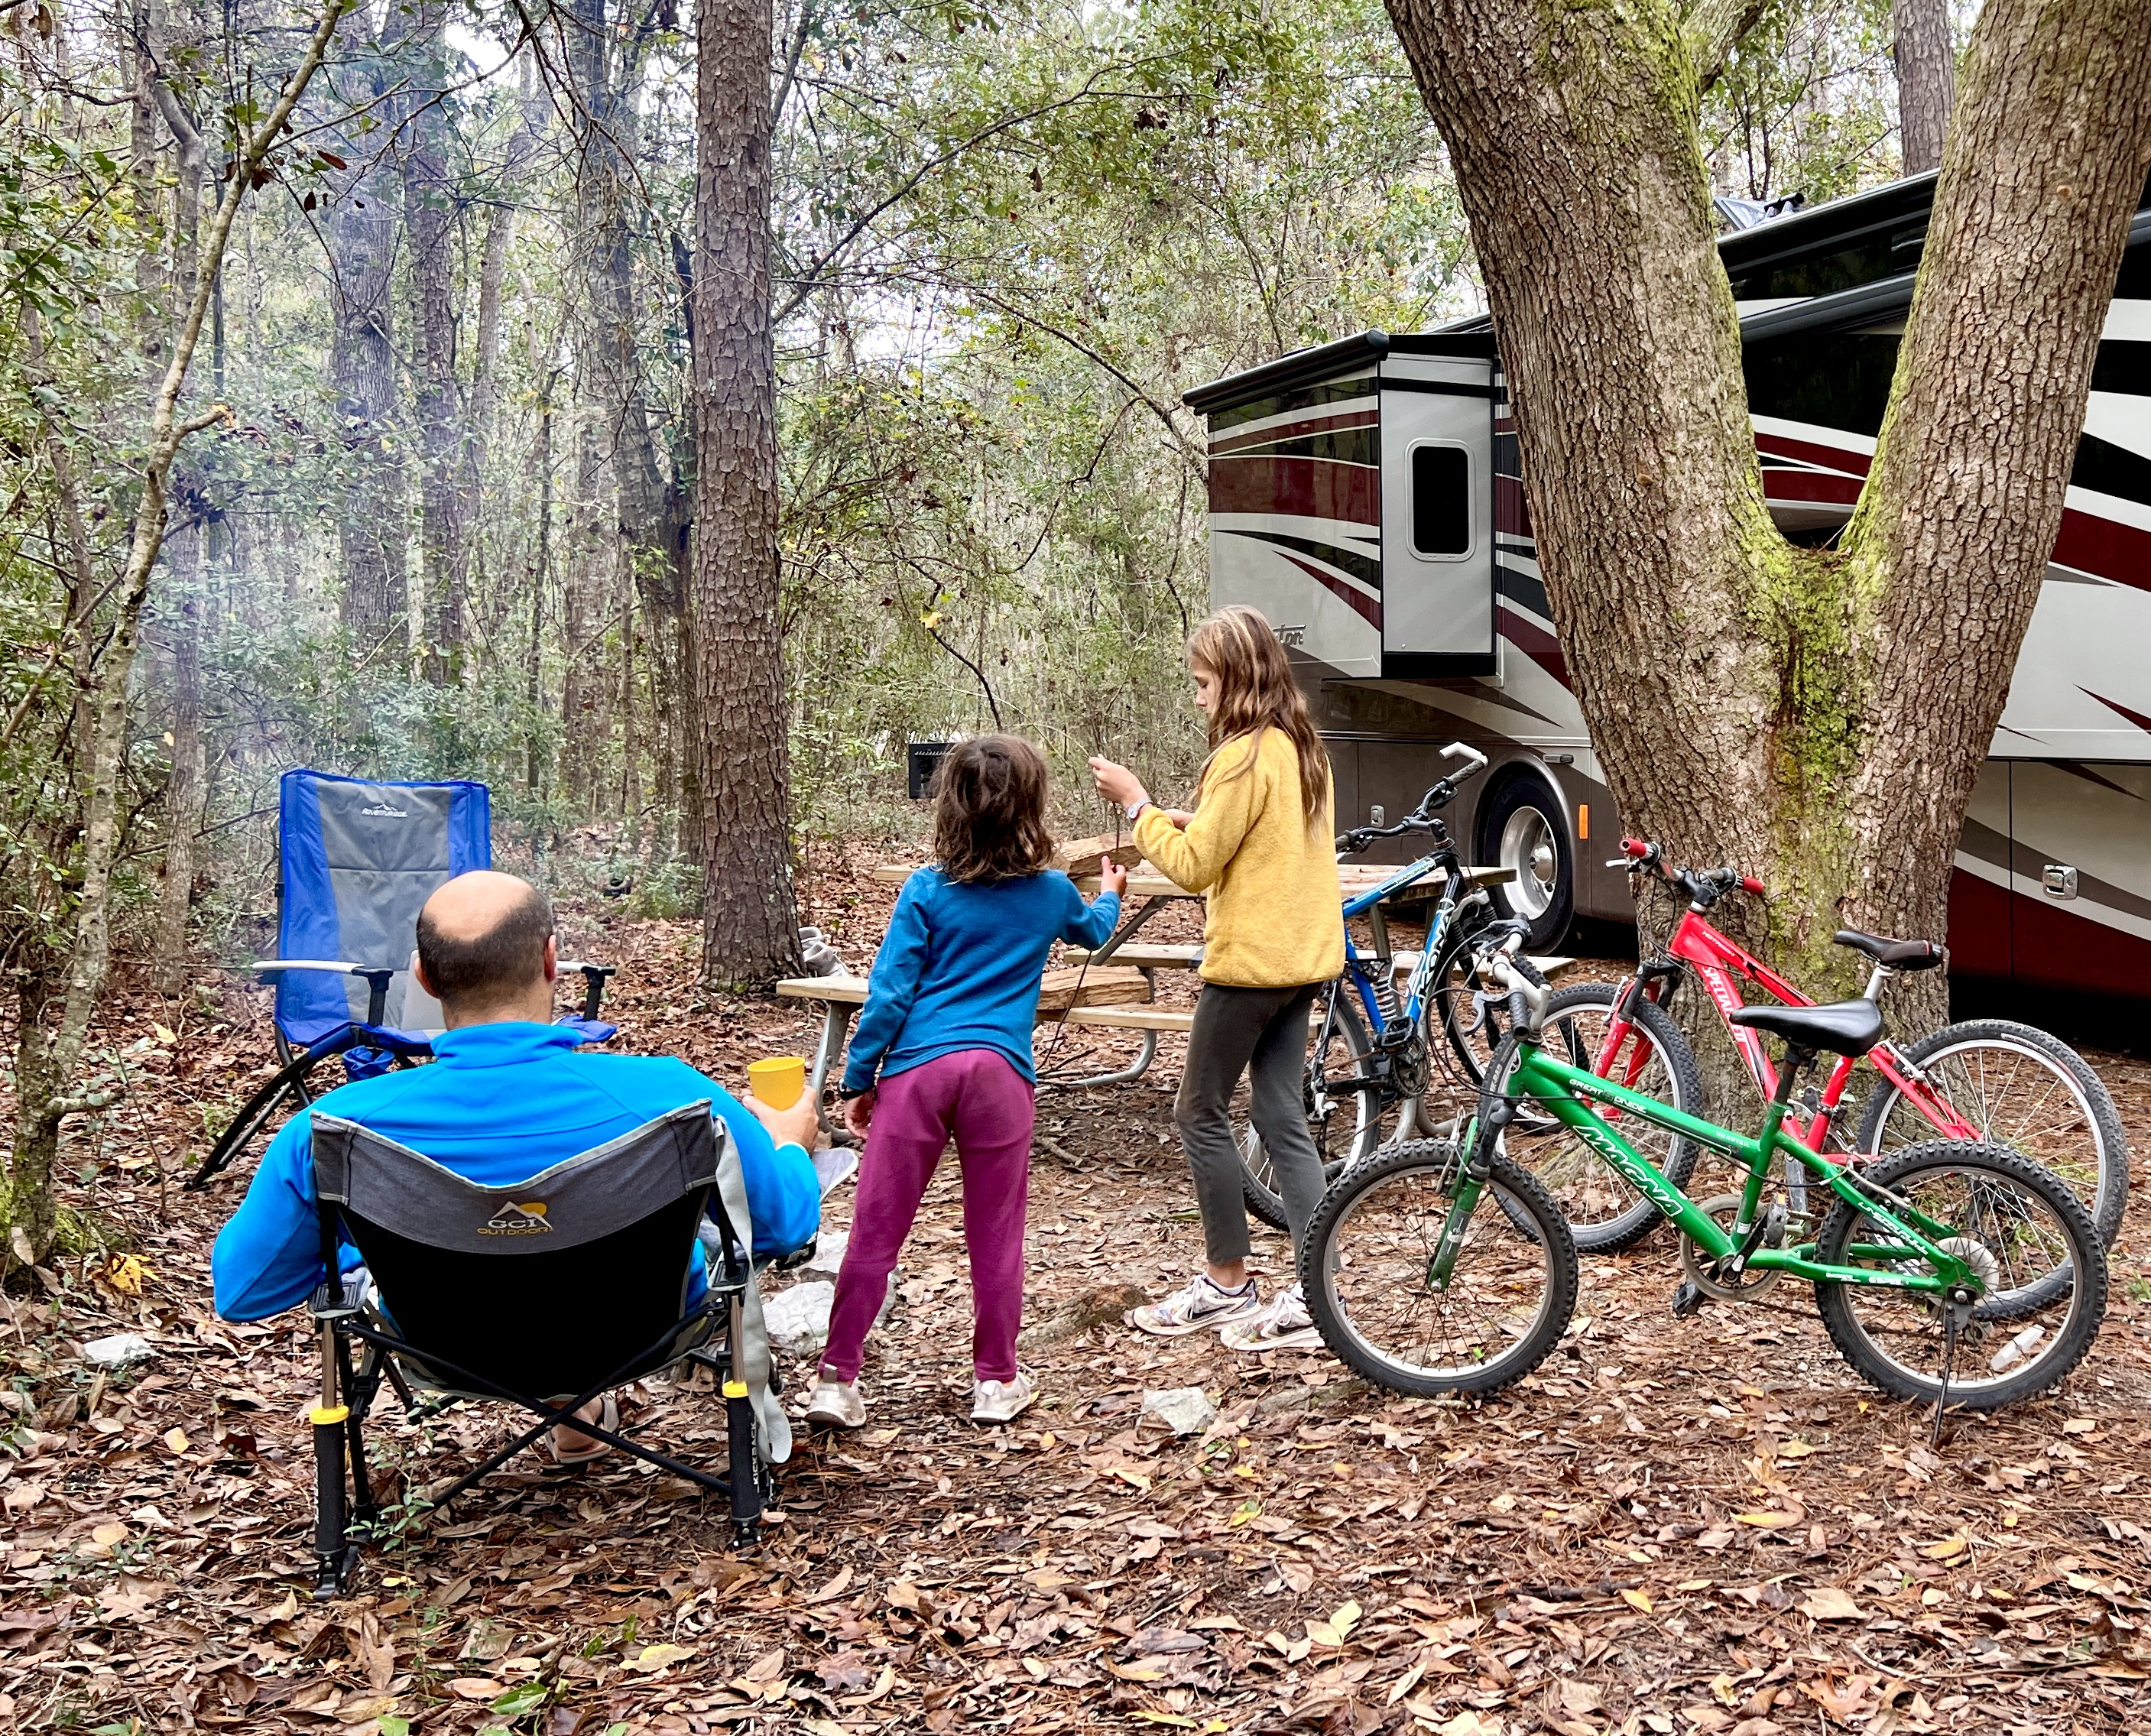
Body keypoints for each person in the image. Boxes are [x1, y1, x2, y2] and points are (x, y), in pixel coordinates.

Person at [210, 871, 822, 1460]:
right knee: (607, 1241)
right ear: (552, 960)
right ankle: (580, 1408)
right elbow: (785, 1227)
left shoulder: (333, 1129)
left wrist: (355, 1250)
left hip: (441, 1345)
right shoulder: (674, 1097)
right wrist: (791, 1140)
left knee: (504, 1249)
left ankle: (572, 1414)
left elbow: (245, 1290)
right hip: (643, 1331)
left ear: (423, 977)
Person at [796, 735, 1121, 1431]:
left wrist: (860, 1076)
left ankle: (836, 1377)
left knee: (876, 1230)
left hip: (917, 1072)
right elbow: (1092, 933)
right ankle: (997, 1381)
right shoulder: (1053, 892)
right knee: (996, 1233)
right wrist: (1114, 896)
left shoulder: (926, 890)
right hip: (1001, 1074)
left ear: (951, 806)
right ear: (1030, 807)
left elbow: (888, 992)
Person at [1090, 604, 1344, 1351]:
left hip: (1250, 968)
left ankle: (1226, 1282)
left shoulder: (1240, 754)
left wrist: (1137, 806)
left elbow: (1196, 865)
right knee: (1279, 1119)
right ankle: (1313, 1290)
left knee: (1198, 1111)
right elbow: (1239, 836)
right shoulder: (1302, 748)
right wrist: (1175, 815)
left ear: (1234, 679)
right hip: (1302, 964)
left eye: (1203, 682)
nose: (1198, 696)